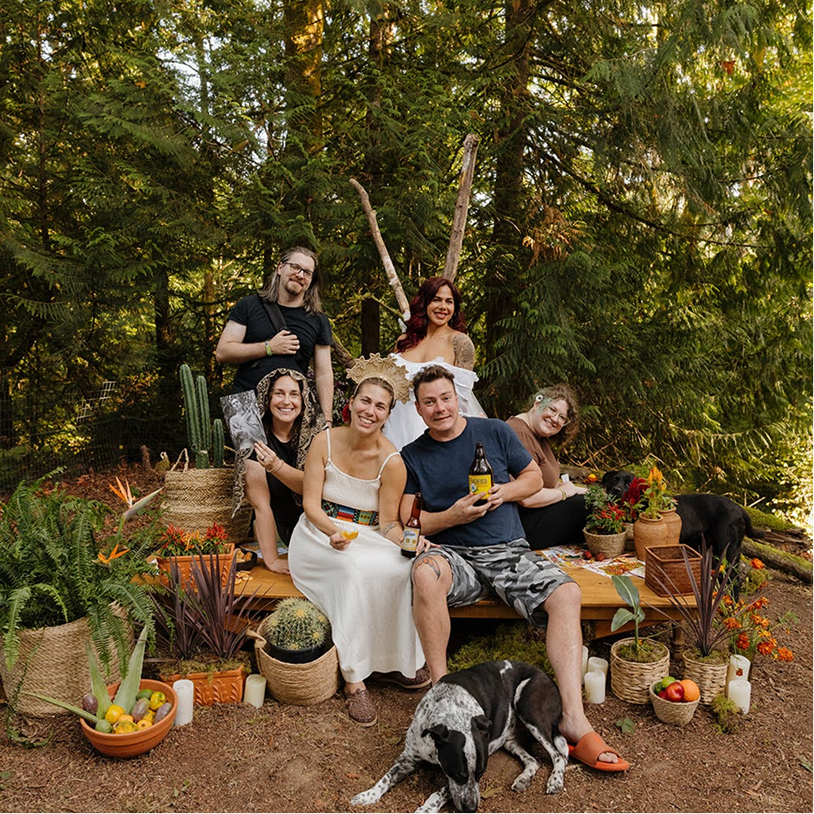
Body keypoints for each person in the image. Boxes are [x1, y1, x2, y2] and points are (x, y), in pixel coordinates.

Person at [400, 365, 629, 772]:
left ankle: (574, 719)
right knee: (424, 572)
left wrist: (502, 492)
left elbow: (529, 478)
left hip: (507, 551)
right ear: (418, 409)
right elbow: (410, 523)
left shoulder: (494, 432)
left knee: (567, 593)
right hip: (455, 556)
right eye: (429, 402)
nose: (440, 408)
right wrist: (451, 515)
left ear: (459, 398)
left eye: (446, 398)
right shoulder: (412, 455)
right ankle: (442, 697)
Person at [288, 355, 428, 727]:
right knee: (351, 570)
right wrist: (331, 532)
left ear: (387, 415)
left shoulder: (392, 461)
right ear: (351, 403)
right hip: (318, 532)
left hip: (367, 533)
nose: (370, 410)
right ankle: (355, 679)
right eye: (365, 401)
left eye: (380, 406)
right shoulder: (325, 442)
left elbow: (387, 524)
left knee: (402, 567)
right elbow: (310, 504)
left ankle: (397, 661)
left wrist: (412, 543)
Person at [215, 246, 334, 423]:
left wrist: (327, 418)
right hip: (243, 404)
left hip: (291, 407)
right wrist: (269, 348)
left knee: (290, 453)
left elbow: (323, 373)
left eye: (307, 273)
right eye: (295, 267)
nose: (300, 275)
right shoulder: (248, 305)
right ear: (280, 268)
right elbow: (222, 352)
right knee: (247, 452)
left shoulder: (318, 320)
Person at [232, 369, 326, 573]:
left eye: (294, 394)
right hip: (291, 530)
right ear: (267, 398)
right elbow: (260, 503)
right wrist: (272, 559)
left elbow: (314, 489)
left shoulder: (316, 434)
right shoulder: (251, 434)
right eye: (279, 393)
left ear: (303, 402)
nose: (286, 401)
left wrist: (276, 466)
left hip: (323, 521)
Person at [383, 276, 485, 450]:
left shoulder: (460, 343)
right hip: (395, 425)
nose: (443, 307)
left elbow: (460, 401)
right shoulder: (404, 340)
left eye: (449, 302)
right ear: (424, 303)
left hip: (434, 428)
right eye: (436, 300)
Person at [506, 384, 588, 548]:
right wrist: (565, 492)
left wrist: (584, 490)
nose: (555, 419)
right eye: (552, 409)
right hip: (520, 524)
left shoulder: (538, 436)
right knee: (585, 506)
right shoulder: (519, 432)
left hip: (537, 513)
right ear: (537, 404)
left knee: (592, 499)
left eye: (562, 418)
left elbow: (548, 483)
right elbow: (526, 498)